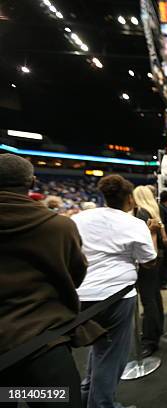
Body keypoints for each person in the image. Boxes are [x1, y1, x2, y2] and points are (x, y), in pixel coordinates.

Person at [0, 154, 102, 408]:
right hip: (41, 348)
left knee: (7, 397)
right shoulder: (59, 226)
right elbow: (75, 275)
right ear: (32, 182)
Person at [72, 175, 157, 408]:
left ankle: (87, 394)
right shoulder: (134, 224)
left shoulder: (80, 218)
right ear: (130, 198)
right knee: (112, 355)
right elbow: (149, 261)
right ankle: (102, 404)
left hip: (82, 295)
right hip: (116, 297)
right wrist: (153, 235)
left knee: (99, 350)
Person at [133, 185, 167, 358]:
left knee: (149, 299)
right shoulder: (153, 211)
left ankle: (150, 339)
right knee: (154, 295)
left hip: (148, 260)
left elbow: (143, 240)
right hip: (157, 258)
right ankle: (157, 329)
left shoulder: (141, 213)